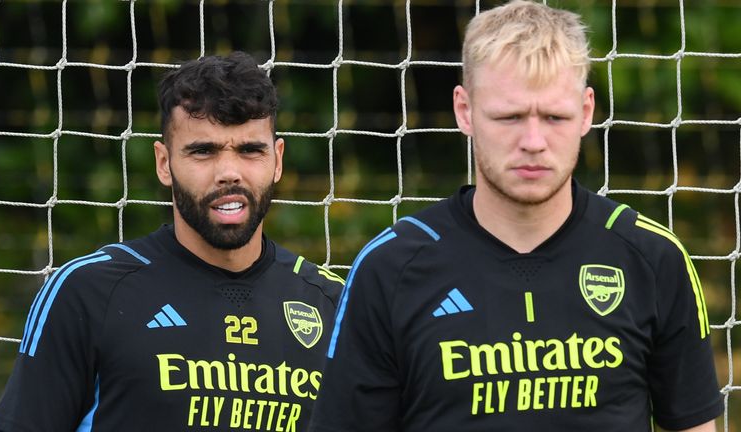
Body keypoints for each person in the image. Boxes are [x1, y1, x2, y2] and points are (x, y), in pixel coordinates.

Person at [308, 1, 723, 431]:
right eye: (509, 117)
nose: (533, 141)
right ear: (464, 111)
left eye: (554, 117)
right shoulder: (390, 268)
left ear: (586, 112)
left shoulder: (652, 258)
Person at [0, 52, 343, 432]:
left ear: (277, 160)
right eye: (203, 151)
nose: (229, 173)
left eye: (250, 150)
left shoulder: (333, 305)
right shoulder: (88, 291)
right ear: (163, 162)